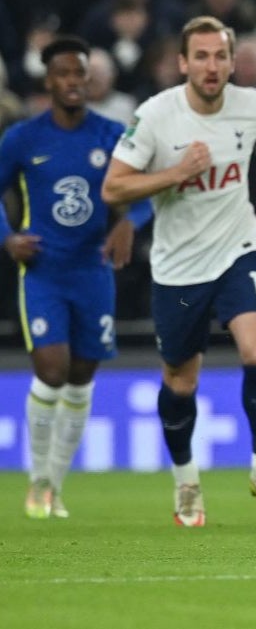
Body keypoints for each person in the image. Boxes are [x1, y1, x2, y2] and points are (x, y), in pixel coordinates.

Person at [101, 16, 256, 527]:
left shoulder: (253, 107)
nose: (212, 66)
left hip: (239, 249)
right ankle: (186, 481)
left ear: (233, 62)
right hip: (177, 268)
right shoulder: (154, 117)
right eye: (202, 56)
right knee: (180, 381)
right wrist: (174, 174)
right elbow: (113, 189)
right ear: (183, 63)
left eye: (220, 56)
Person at [0, 35, 151, 519]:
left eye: (79, 73)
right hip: (43, 270)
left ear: (89, 79)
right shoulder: (23, 137)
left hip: (94, 271)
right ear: (48, 80)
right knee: (50, 370)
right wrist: (8, 237)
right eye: (63, 73)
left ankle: (55, 487)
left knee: (82, 377)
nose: (72, 82)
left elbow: (149, 192)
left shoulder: (111, 135)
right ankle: (37, 480)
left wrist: (131, 221)